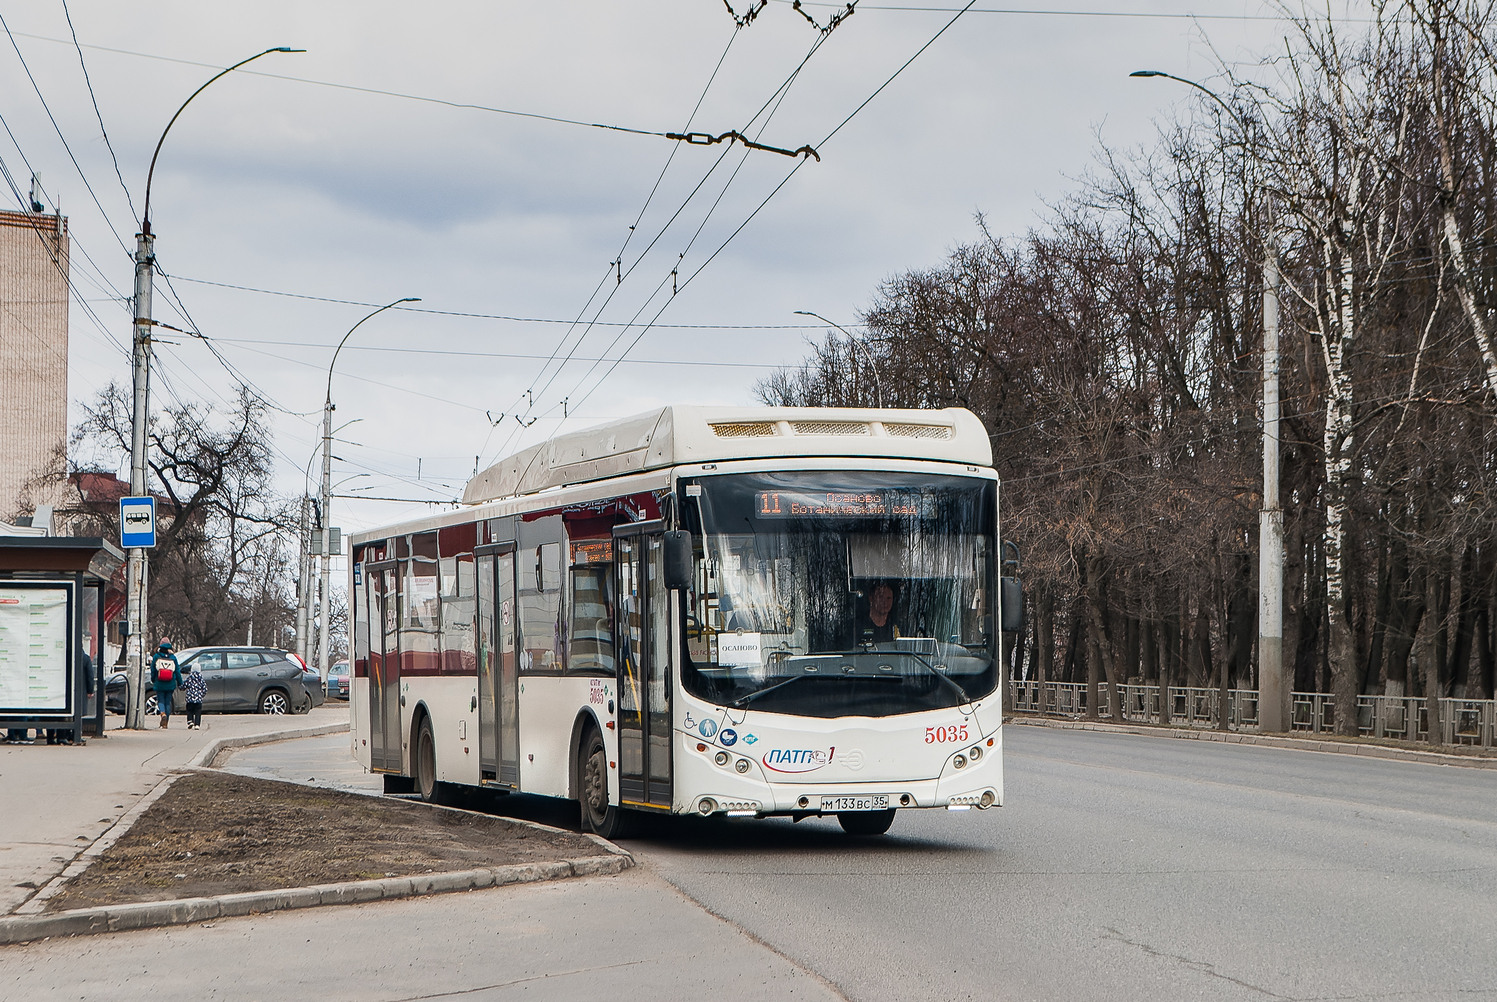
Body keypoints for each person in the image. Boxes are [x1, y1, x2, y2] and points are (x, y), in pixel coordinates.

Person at [150, 638, 181, 728]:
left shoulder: (157, 656)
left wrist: (153, 679)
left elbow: (153, 670)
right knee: (168, 702)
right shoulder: (173, 657)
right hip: (170, 683)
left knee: (161, 701)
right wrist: (179, 682)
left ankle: (162, 713)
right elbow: (177, 671)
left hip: (159, 682)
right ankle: (165, 723)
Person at [180, 659, 206, 729]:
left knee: (189, 710)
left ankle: (190, 721)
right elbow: (204, 689)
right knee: (198, 712)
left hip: (190, 698)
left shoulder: (189, 678)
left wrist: (181, 687)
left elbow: (184, 686)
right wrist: (202, 695)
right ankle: (197, 724)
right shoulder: (201, 679)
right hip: (198, 699)